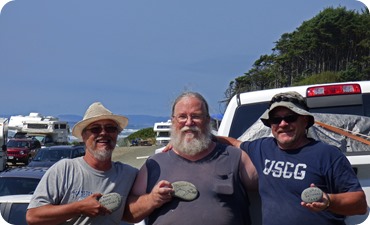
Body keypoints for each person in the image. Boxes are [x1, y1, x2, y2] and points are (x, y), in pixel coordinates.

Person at [216, 91, 367, 225]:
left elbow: (359, 203)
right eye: (275, 120)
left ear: (305, 121)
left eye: (290, 117)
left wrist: (328, 201)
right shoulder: (262, 148)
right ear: (270, 124)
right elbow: (234, 143)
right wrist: (201, 137)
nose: (283, 124)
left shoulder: (328, 155)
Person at [123, 92, 258, 225]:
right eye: (182, 117)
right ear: (173, 121)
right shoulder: (154, 164)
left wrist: (223, 140)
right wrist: (152, 199)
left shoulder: (235, 157)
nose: (189, 122)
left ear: (207, 120)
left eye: (196, 116)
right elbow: (129, 214)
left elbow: (274, 184)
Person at [26, 102, 138, 225]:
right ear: (84, 136)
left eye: (110, 128)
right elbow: (33, 217)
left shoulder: (129, 174)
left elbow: (153, 191)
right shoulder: (65, 169)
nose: (103, 133)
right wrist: (79, 208)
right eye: (95, 129)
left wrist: (163, 152)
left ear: (117, 134)